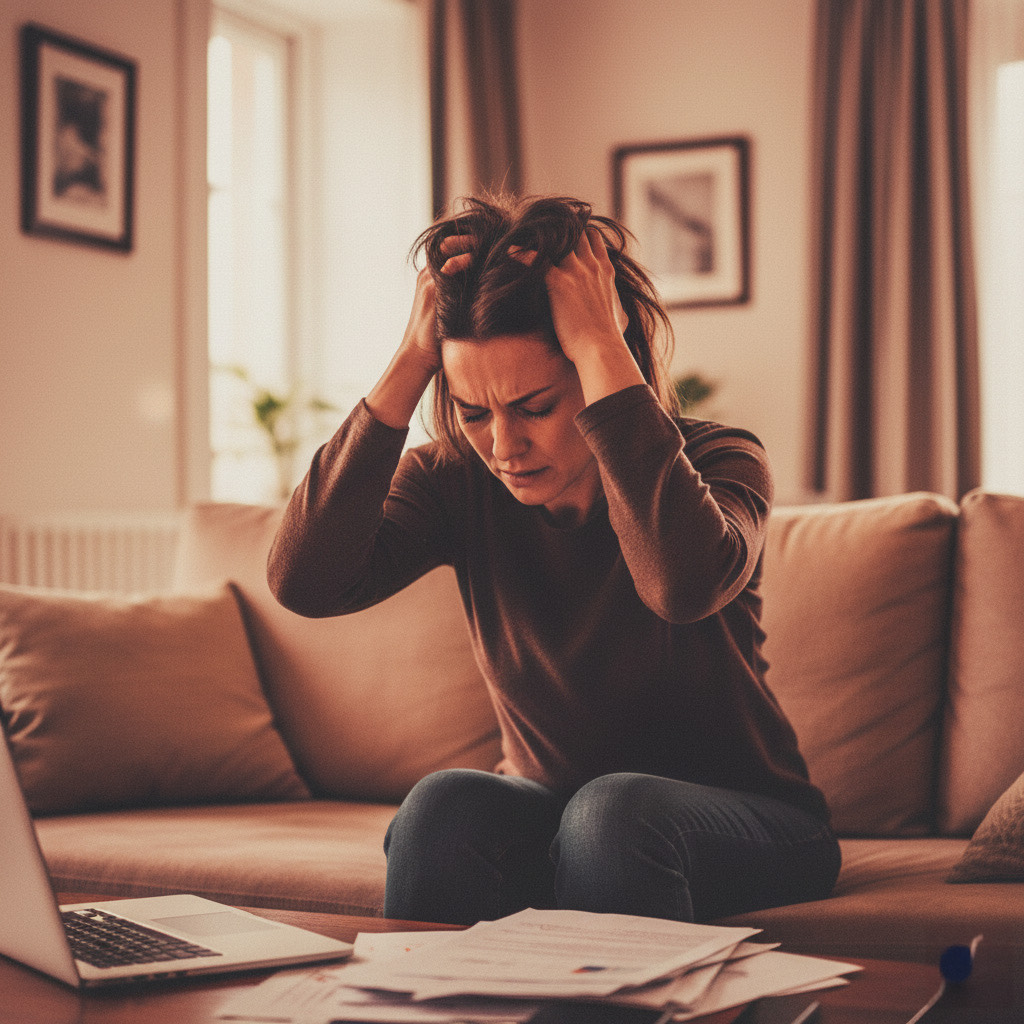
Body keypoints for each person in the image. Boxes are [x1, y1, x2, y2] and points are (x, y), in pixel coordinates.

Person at [268, 193, 840, 926]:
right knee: (442, 806)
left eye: (534, 406)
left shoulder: (721, 459)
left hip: (752, 823)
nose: (503, 445)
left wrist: (605, 341)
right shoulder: (452, 484)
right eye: (474, 412)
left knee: (614, 812)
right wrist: (412, 358)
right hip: (560, 811)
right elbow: (304, 582)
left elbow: (680, 585)